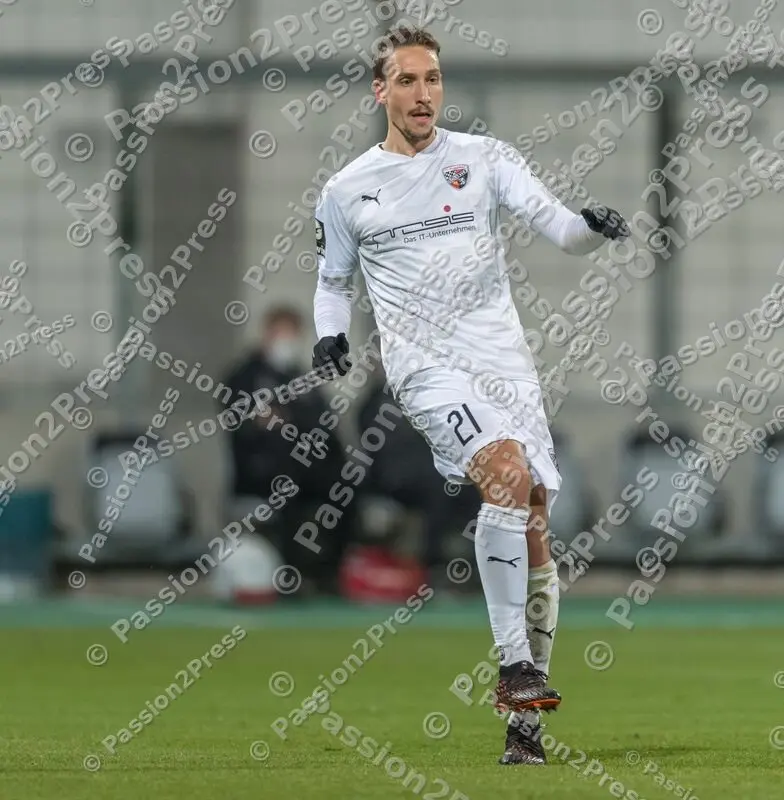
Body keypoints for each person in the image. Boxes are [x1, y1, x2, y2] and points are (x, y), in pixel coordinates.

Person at [308, 25, 630, 765]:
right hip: (427, 369)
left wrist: (590, 228)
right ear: (380, 89)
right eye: (408, 81)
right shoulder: (348, 189)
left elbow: (556, 225)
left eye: (433, 80)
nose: (424, 94)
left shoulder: (483, 160)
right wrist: (331, 336)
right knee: (507, 473)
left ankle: (526, 721)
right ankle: (513, 664)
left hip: (505, 366)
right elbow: (331, 285)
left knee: (536, 518)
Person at [222, 306, 351, 596]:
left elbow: (322, 424)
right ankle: (290, 575)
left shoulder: (301, 378)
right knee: (287, 488)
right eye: (282, 332)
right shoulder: (246, 375)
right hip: (263, 471)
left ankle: (329, 571)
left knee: (345, 485)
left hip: (309, 469)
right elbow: (247, 424)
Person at [356, 372, 478, 577]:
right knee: (438, 490)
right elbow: (381, 455)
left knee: (476, 488)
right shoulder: (377, 402)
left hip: (432, 472)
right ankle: (432, 564)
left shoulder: (433, 396)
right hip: (395, 480)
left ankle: (477, 565)